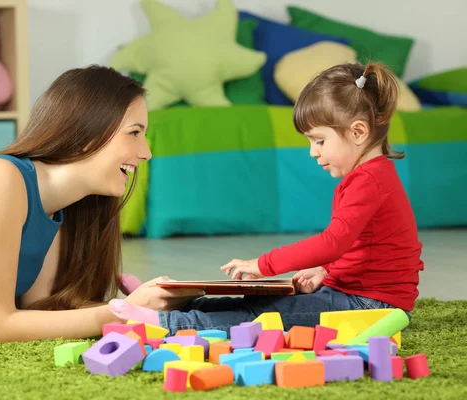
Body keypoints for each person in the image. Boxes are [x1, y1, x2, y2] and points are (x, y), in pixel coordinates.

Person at [0, 65, 203, 341]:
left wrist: (149, 301)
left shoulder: (59, 205)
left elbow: (38, 311)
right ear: (88, 132)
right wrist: (125, 313)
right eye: (134, 133)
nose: (146, 153)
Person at [109, 62, 424, 335]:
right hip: (357, 293)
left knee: (265, 317)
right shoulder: (369, 177)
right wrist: (326, 271)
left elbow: (334, 242)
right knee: (259, 301)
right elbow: (364, 245)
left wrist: (265, 264)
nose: (314, 152)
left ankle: (166, 323)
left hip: (372, 305)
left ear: (358, 132)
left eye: (319, 141)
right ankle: (169, 307)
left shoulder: (368, 181)